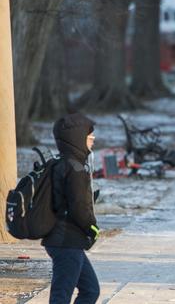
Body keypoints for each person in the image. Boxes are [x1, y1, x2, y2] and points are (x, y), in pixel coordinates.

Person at [43, 113, 101, 303]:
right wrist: (92, 228)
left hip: (66, 240)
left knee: (90, 290)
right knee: (61, 296)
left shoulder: (61, 164)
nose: (93, 140)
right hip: (66, 240)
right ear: (77, 139)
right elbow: (78, 209)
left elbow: (67, 200)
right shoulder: (75, 169)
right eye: (90, 137)